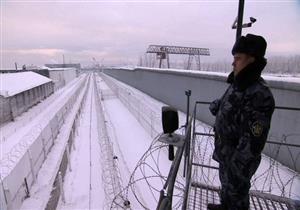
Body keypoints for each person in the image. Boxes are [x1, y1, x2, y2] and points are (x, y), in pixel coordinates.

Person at [208, 34, 275, 210]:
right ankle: (225, 206)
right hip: (226, 153)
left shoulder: (260, 94)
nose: (233, 63)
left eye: (238, 58)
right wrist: (218, 106)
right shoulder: (238, 84)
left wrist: (237, 169)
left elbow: (254, 141)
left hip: (238, 161)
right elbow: (230, 103)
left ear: (252, 60)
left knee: (237, 195)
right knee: (226, 189)